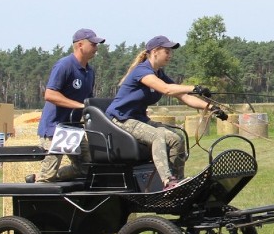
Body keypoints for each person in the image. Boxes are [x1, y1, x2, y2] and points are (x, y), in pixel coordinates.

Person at [106, 35, 227, 190]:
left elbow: (183, 96)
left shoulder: (159, 73)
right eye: (167, 51)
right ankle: (168, 182)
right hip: (121, 119)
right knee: (159, 135)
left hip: (139, 119)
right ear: (155, 51)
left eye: (171, 52)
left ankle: (178, 181)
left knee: (176, 138)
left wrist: (211, 108)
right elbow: (167, 89)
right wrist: (194, 88)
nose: (170, 55)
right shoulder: (142, 71)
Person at [34, 28, 105, 183]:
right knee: (47, 176)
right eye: (93, 44)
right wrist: (80, 106)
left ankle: (51, 178)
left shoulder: (89, 71)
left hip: (73, 129)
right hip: (55, 128)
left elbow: (88, 100)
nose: (96, 48)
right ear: (80, 45)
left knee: (87, 167)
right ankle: (40, 186)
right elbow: (50, 94)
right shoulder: (64, 65)